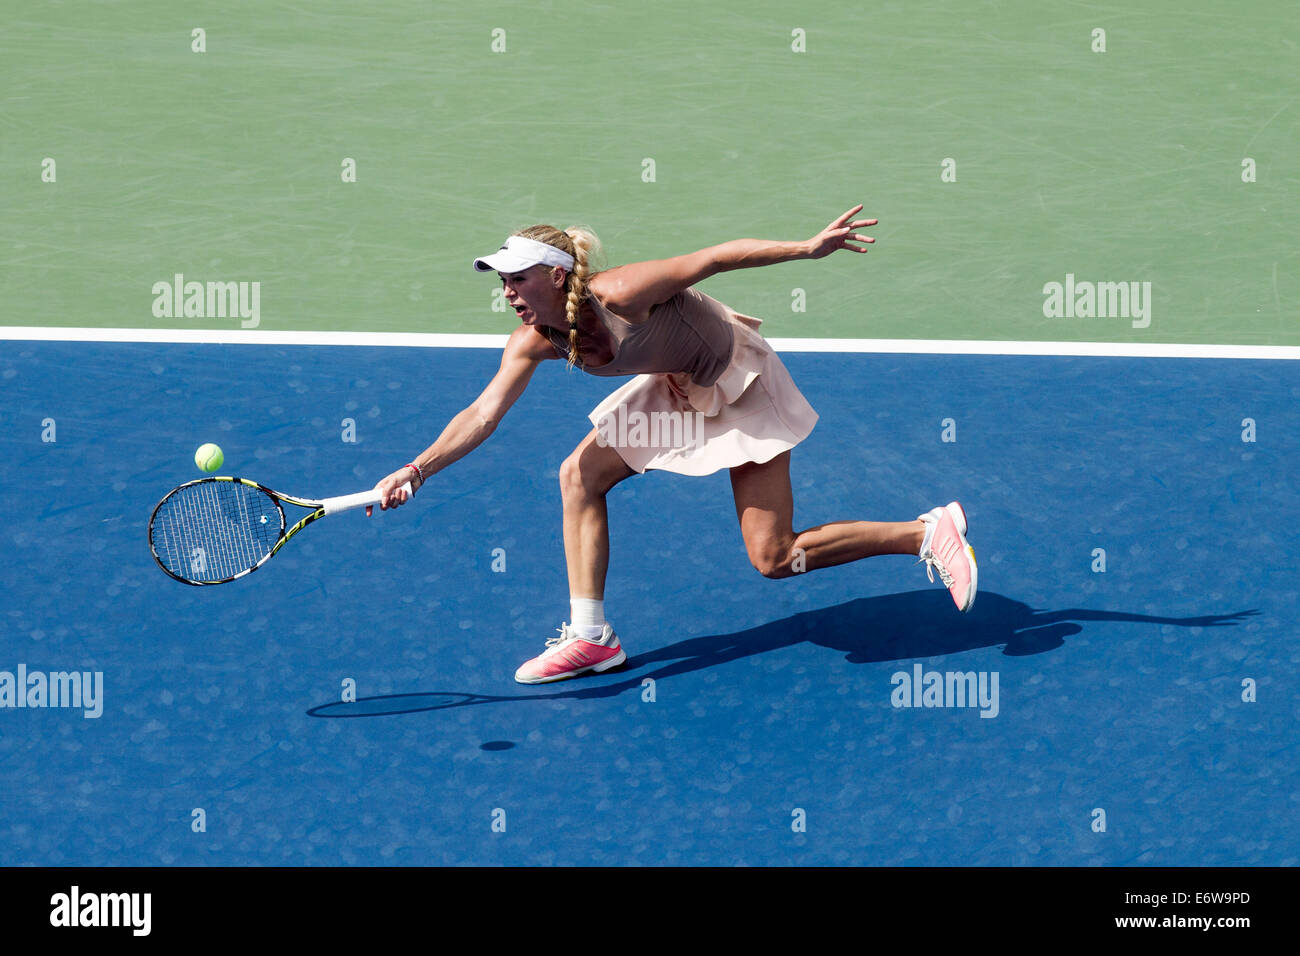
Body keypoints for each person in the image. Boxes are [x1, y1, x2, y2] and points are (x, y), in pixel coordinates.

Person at [369, 206, 976, 684]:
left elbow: (714, 258)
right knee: (579, 475)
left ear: (557, 275)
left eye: (519, 279)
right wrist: (415, 470)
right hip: (676, 390)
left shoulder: (624, 293)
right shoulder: (532, 341)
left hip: (738, 382)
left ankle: (926, 533)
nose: (509, 293)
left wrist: (806, 249)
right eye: (504, 282)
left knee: (772, 558)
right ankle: (591, 637)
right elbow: (482, 413)